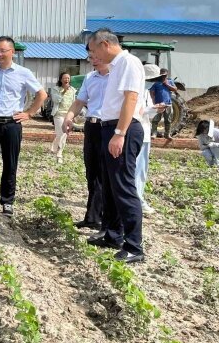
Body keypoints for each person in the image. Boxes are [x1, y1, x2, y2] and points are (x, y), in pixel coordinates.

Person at [86, 29, 145, 264]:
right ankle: (112, 235)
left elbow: (131, 98)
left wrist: (120, 133)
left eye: (93, 50)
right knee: (109, 185)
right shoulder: (116, 66)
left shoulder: (129, 63)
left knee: (123, 186)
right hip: (108, 127)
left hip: (124, 130)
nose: (93, 55)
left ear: (105, 44)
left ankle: (134, 246)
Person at [0, 37, 46, 215]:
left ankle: (7, 201)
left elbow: (42, 94)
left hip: (12, 124)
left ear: (11, 52)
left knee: (10, 163)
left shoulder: (23, 73)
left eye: (2, 50)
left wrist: (29, 113)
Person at [63, 48, 109, 230]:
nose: (93, 60)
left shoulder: (117, 77)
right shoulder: (90, 78)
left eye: (96, 57)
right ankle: (92, 217)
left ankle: (107, 221)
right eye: (91, 57)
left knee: (107, 175)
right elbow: (79, 101)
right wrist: (69, 116)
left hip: (109, 127)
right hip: (92, 126)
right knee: (92, 173)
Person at [136, 64, 166, 215]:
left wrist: (156, 109)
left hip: (145, 133)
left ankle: (138, 198)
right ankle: (137, 200)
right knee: (136, 169)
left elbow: (147, 114)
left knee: (142, 170)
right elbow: (137, 112)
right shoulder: (136, 91)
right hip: (137, 132)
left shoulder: (146, 92)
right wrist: (153, 109)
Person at [49, 72, 77, 164]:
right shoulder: (56, 89)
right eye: (65, 78)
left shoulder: (73, 90)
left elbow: (74, 103)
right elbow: (56, 100)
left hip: (68, 115)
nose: (67, 80)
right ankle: (58, 153)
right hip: (58, 114)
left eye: (68, 78)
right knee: (61, 132)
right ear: (61, 79)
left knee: (64, 134)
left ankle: (59, 152)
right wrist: (64, 91)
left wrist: (74, 115)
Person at [150, 68, 177, 140]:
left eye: (164, 75)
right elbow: (152, 92)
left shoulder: (170, 81)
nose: (163, 76)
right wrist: (153, 101)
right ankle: (154, 133)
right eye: (162, 75)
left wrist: (167, 84)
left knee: (168, 120)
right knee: (156, 120)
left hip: (168, 104)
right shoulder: (156, 83)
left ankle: (167, 134)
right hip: (159, 104)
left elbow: (175, 89)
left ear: (167, 74)